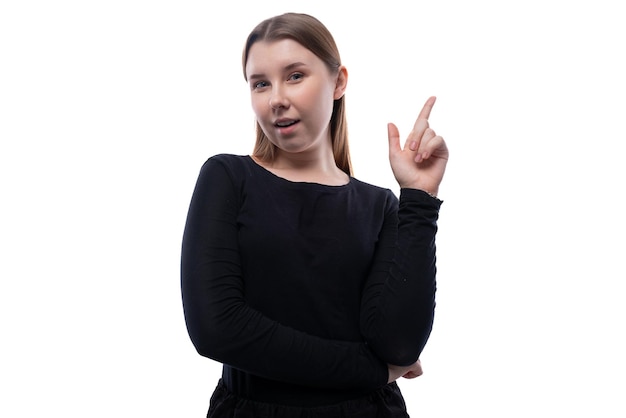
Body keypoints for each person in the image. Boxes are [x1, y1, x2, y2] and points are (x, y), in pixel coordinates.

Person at [181, 12, 449, 417]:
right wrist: (370, 370)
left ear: (338, 81)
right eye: (260, 83)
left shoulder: (379, 206)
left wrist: (419, 197)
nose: (276, 99)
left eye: (294, 75)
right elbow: (216, 329)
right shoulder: (227, 178)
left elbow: (400, 345)